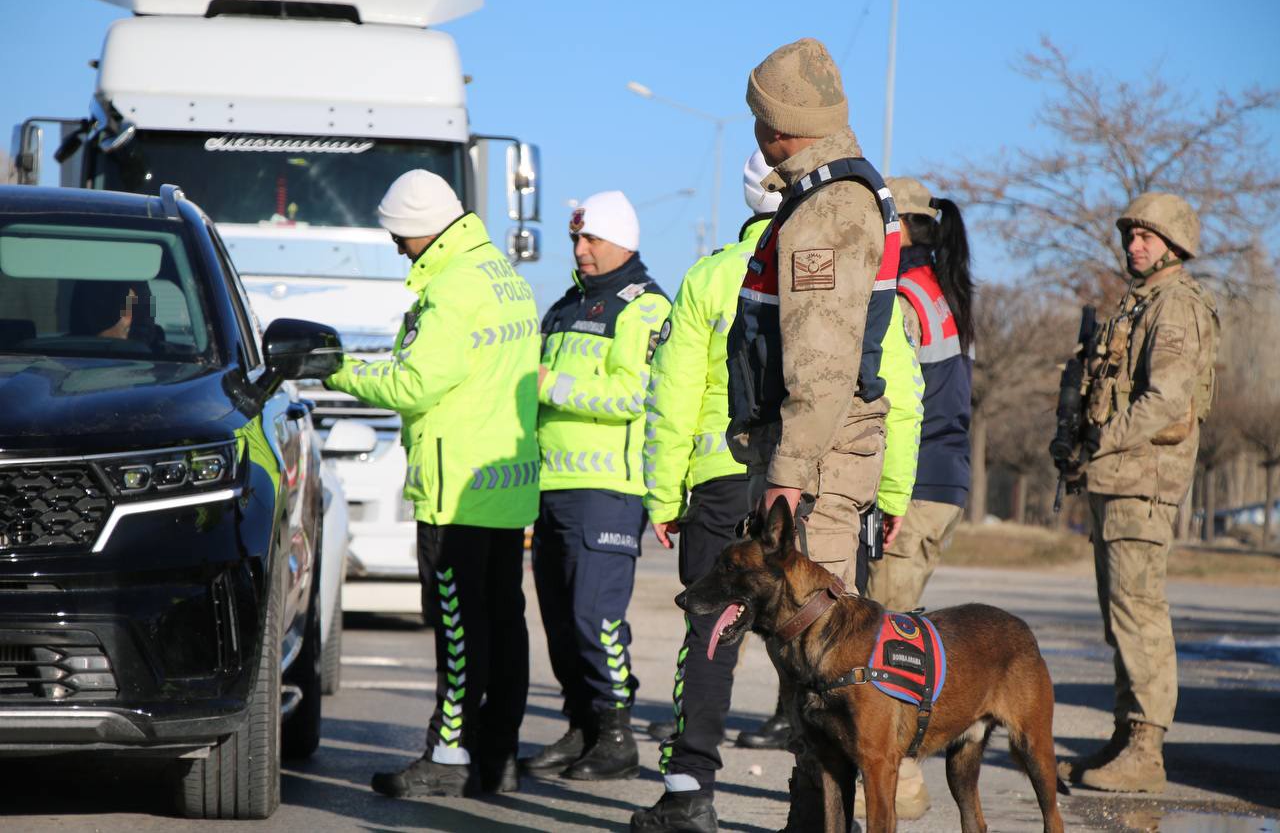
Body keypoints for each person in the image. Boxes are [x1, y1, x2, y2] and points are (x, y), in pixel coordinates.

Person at [632, 150, 922, 832]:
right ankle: (817, 806)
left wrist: (661, 493)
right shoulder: (846, 260)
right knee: (823, 647)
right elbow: (898, 389)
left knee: (710, 633)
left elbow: (669, 394)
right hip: (816, 482)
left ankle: (688, 788)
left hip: (719, 478)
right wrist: (895, 489)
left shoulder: (710, 275)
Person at [724, 37, 902, 828]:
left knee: (822, 661)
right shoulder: (820, 195)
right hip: (815, 459)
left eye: (760, 120)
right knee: (811, 665)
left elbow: (824, 366)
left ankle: (817, 820)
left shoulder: (829, 207)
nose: (755, 135)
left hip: (818, 466)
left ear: (780, 130)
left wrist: (787, 477)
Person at [326, 169, 540, 799]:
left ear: (421, 230)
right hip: (505, 485)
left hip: (456, 491)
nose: (397, 248)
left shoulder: (451, 291)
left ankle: (447, 758)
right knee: (505, 626)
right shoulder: (506, 278)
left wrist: (336, 369)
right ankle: (495, 757)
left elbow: (414, 384)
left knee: (457, 630)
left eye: (399, 237)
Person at [1058, 192, 1219, 793]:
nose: (1134, 245)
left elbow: (1166, 402)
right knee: (1120, 615)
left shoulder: (1175, 306)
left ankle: (1146, 751)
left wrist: (1099, 443)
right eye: (1130, 235)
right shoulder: (1141, 303)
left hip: (1143, 485)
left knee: (1140, 613)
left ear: (1175, 245)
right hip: (1119, 484)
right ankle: (1127, 738)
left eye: (1147, 237)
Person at [521, 191, 671, 781]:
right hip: (549, 485)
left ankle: (617, 737)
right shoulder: (562, 306)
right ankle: (582, 725)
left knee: (594, 618)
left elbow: (635, 395)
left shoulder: (646, 308)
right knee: (559, 621)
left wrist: (549, 383)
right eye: (575, 240)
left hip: (607, 488)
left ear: (624, 242)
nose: (579, 250)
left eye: (592, 240)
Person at [857, 176, 975, 820]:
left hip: (915, 484)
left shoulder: (902, 293)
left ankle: (897, 788)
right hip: (939, 482)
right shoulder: (942, 288)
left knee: (885, 642)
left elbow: (893, 398)